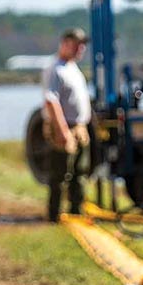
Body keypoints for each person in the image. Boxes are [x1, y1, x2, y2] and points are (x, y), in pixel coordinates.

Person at [42, 27, 91, 222]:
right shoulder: (55, 68)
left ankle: (76, 212)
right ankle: (54, 215)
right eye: (77, 45)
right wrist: (62, 131)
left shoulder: (72, 68)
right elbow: (51, 100)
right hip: (65, 127)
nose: (81, 50)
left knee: (79, 173)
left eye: (82, 46)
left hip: (79, 128)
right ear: (65, 44)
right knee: (60, 174)